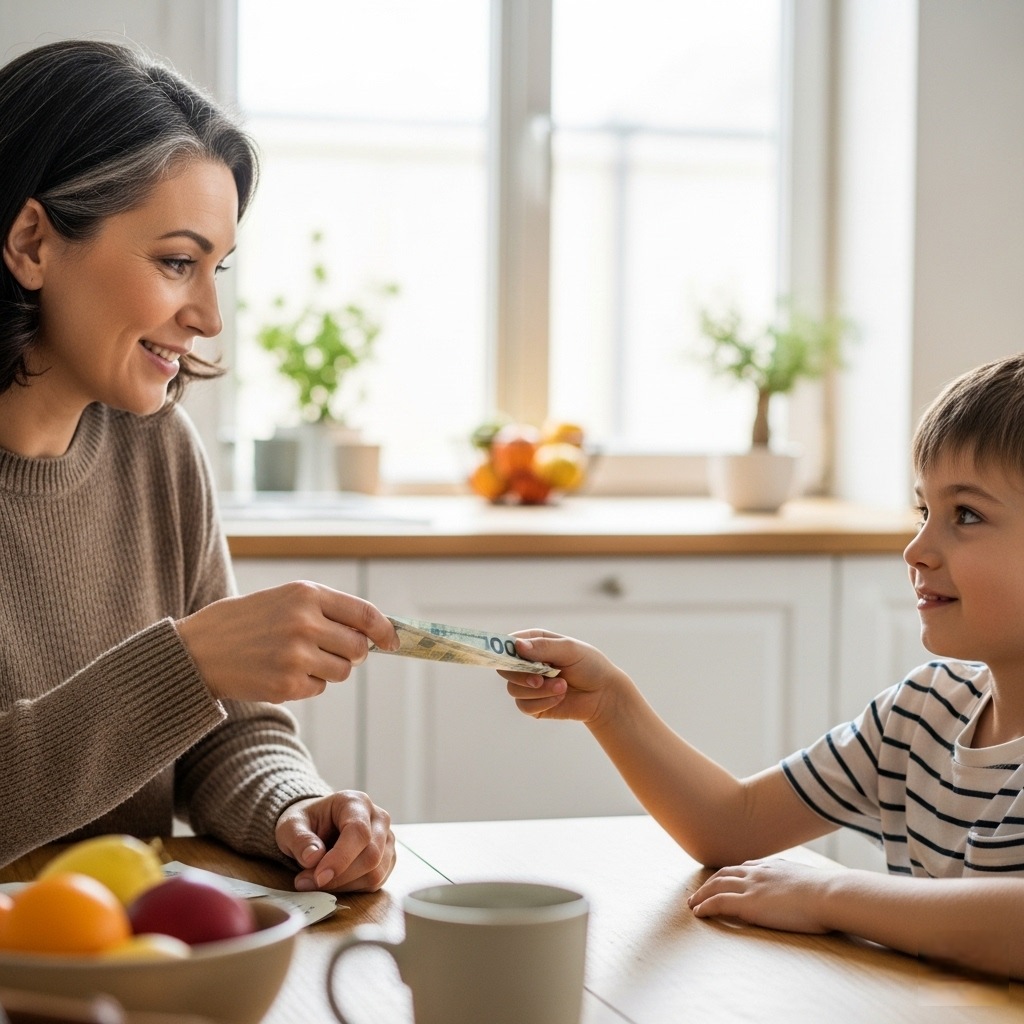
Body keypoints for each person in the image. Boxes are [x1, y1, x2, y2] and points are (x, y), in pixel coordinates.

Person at [0, 39, 401, 893]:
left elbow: (223, 731)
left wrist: (296, 810)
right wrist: (186, 663)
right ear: (32, 242)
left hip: (126, 947)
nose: (211, 316)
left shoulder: (157, 448)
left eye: (217, 269)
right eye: (178, 262)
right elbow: (189, 681)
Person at [503, 353, 1024, 979]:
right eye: (923, 513)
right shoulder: (920, 712)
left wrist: (827, 896)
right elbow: (733, 825)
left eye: (966, 515)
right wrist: (611, 705)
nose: (916, 550)